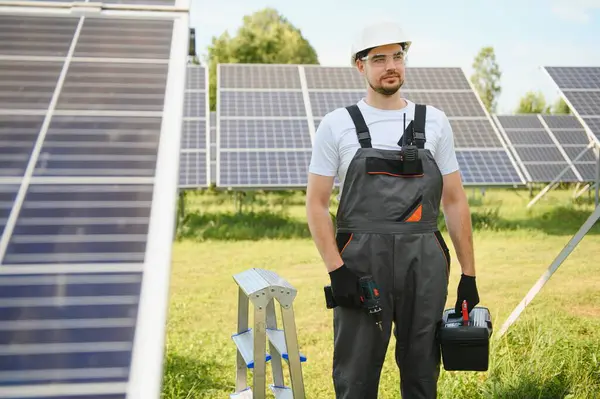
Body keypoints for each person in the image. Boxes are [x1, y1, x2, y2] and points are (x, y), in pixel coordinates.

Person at [305, 20, 481, 399]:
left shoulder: (434, 121)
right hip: (361, 264)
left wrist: (469, 275)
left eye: (398, 56)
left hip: (425, 259)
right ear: (360, 65)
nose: (391, 66)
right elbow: (316, 205)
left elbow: (453, 200)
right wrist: (337, 270)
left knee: (421, 373)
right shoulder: (337, 125)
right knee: (355, 376)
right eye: (379, 58)